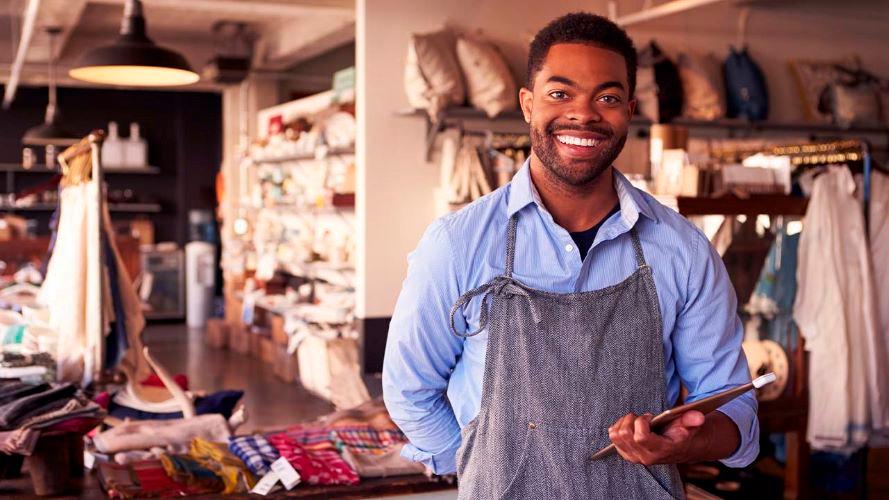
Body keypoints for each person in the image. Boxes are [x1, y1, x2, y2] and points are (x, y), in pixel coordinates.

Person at [383, 12, 758, 499]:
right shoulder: (457, 244)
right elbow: (409, 391)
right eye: (560, 93)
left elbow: (736, 414)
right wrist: (481, 462)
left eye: (607, 97)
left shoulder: (683, 251)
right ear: (527, 104)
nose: (584, 114)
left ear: (629, 109)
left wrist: (685, 444)